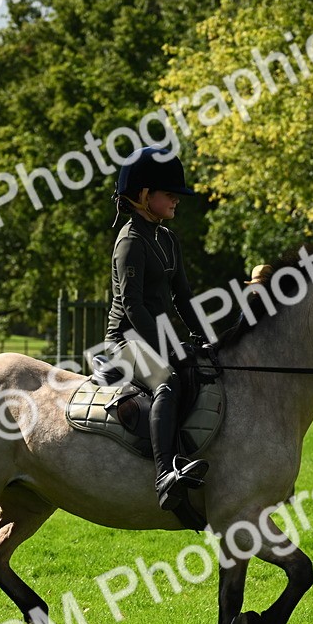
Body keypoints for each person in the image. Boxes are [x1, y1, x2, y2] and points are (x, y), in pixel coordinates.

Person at [105, 146, 210, 514]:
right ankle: (166, 475)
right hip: (125, 341)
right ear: (145, 195)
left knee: (203, 369)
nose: (176, 202)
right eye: (170, 194)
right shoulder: (131, 241)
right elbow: (133, 308)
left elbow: (184, 298)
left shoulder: (167, 239)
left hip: (157, 336)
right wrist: (169, 348)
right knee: (167, 381)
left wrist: (209, 336)